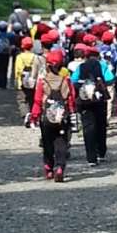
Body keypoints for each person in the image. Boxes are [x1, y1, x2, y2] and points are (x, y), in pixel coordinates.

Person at [30, 50, 77, 182]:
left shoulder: (43, 81)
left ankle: (48, 167)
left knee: (47, 142)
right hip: (63, 117)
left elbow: (37, 100)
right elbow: (71, 99)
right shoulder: (66, 81)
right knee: (61, 142)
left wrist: (34, 116)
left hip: (46, 117)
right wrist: (72, 112)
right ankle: (60, 167)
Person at [71, 46, 109, 166]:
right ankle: (101, 152)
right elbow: (110, 78)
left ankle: (91, 158)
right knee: (101, 126)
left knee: (88, 127)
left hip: (85, 100)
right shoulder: (102, 65)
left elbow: (73, 80)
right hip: (99, 100)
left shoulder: (81, 67)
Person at [14, 37, 37, 120]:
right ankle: (32, 114)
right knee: (32, 99)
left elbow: (17, 71)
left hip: (22, 82)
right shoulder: (35, 57)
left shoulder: (19, 57)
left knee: (22, 100)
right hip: (32, 82)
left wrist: (17, 81)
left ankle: (25, 114)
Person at [0, 21, 14, 89]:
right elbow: (12, 43)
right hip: (6, 54)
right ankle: (4, 83)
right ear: (6, 27)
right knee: (5, 68)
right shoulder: (10, 35)